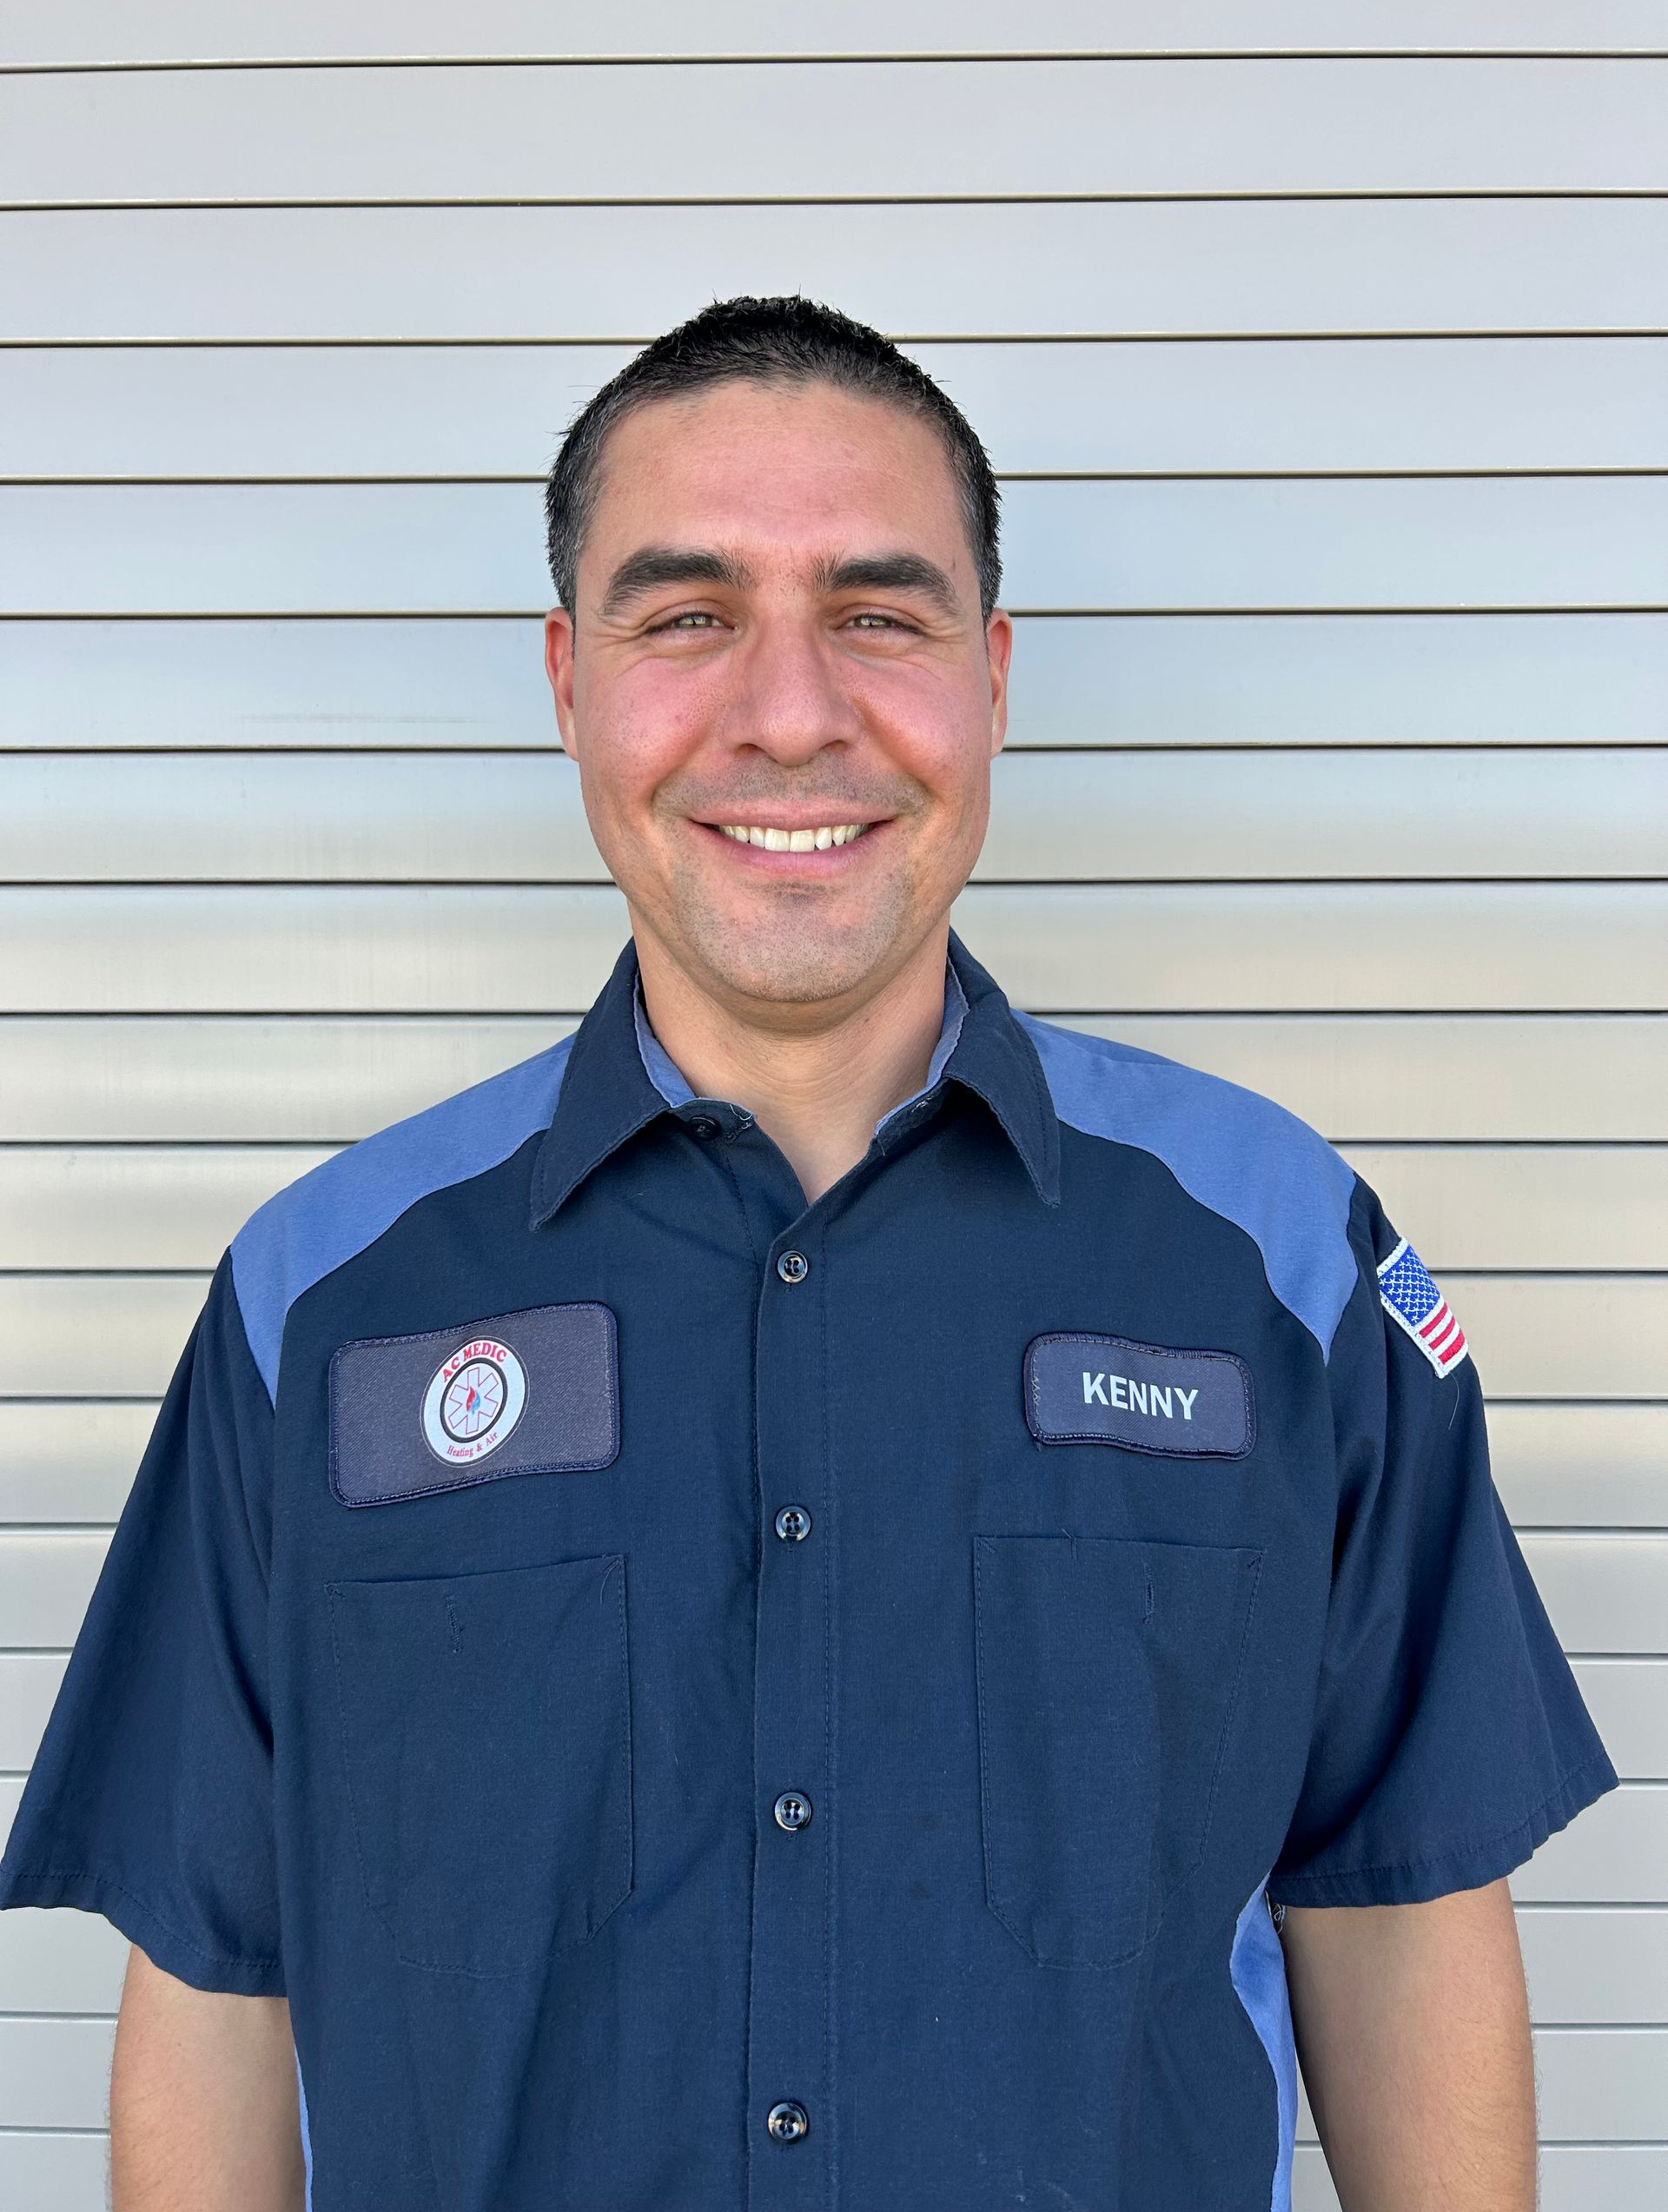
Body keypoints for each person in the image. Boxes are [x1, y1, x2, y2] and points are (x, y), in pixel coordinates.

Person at [0, 295, 1618, 2212]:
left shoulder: (1277, 1256)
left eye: (880, 612)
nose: (790, 709)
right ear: (567, 678)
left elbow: (1401, 1906)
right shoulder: (324, 1298)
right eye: (686, 616)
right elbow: (217, 1970)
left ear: (994, 676)